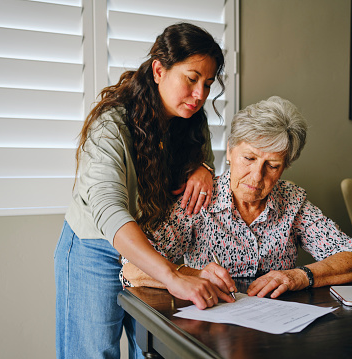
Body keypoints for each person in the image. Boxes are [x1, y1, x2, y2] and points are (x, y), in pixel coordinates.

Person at [54, 23, 236, 359]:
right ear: (158, 70)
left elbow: (205, 167)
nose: (200, 95)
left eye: (208, 84)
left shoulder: (193, 124)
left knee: (153, 350)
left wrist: (205, 169)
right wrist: (171, 275)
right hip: (97, 250)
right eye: (192, 78)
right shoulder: (110, 126)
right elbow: (110, 211)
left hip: (157, 248)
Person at [121, 96, 352, 299]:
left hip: (278, 328)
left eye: (272, 165)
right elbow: (132, 267)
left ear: (285, 167)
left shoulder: (292, 201)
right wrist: (190, 275)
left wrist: (297, 276)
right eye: (249, 158)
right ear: (230, 151)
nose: (256, 176)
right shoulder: (199, 200)